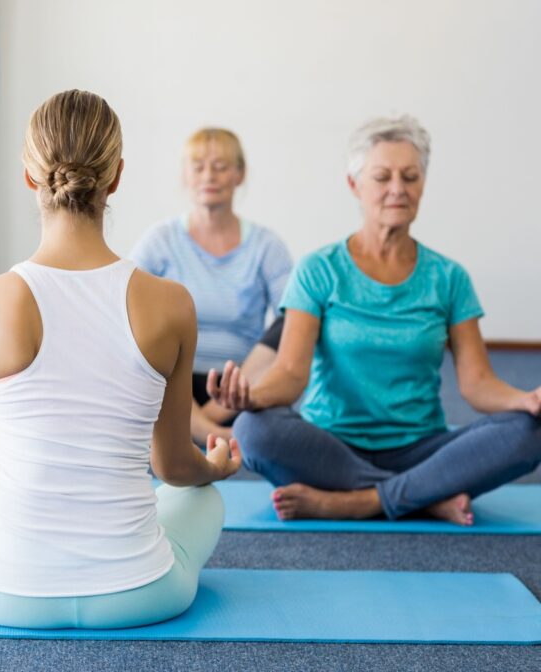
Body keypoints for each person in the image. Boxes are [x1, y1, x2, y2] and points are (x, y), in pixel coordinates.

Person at [0, 90, 241, 629]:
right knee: (204, 499)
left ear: (29, 177)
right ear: (116, 177)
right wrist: (215, 468)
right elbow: (173, 468)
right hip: (145, 594)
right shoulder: (172, 303)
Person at [208, 115, 541, 525]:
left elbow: (477, 383)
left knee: (531, 431)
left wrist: (524, 400)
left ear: (423, 185)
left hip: (422, 447)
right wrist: (251, 398)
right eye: (382, 177)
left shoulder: (449, 278)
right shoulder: (319, 269)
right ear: (355, 186)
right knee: (253, 430)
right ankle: (421, 496)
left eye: (410, 177)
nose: (397, 189)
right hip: (329, 445)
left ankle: (360, 501)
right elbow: (291, 373)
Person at [131, 128, 292, 443]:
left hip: (241, 386)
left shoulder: (266, 245)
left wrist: (222, 403)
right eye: (199, 166)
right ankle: (214, 434)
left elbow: (293, 320)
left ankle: (203, 425)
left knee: (295, 319)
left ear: (239, 174)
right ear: (185, 176)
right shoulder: (160, 239)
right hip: (171, 382)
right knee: (136, 318)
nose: (210, 176)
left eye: (221, 166)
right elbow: (123, 304)